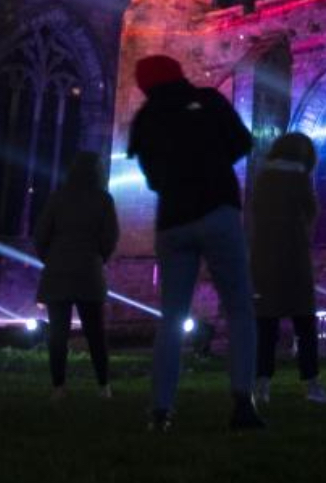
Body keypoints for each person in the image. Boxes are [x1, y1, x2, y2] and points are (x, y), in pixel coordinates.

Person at [127, 54, 263, 431]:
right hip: (217, 210)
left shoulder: (145, 120)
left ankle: (161, 409)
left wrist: (176, 180)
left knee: (172, 317)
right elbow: (242, 143)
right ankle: (243, 402)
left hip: (173, 222)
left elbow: (152, 179)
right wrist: (213, 164)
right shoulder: (207, 100)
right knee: (239, 308)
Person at [248, 131, 326, 406]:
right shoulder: (299, 177)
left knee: (266, 326)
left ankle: (261, 384)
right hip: (294, 258)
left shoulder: (262, 177)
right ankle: (312, 384)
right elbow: (312, 211)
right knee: (305, 325)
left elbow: (254, 214)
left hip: (264, 259)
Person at [33, 150, 119, 401]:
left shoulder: (58, 198)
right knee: (95, 332)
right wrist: (99, 257)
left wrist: (51, 259)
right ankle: (103, 386)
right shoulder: (103, 200)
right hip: (88, 272)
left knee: (58, 333)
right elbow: (111, 236)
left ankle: (58, 387)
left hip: (58, 272)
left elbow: (41, 235)